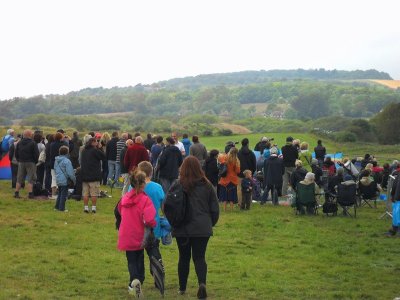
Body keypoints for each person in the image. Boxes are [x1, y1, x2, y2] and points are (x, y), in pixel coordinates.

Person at [172, 156, 219, 299]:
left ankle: (182, 288)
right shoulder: (207, 185)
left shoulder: (178, 184)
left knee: (183, 257)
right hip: (202, 226)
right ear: (199, 168)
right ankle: (202, 283)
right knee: (199, 257)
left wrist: (174, 222)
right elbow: (215, 209)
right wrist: (210, 223)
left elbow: (168, 205)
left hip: (182, 227)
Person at [117, 170, 157, 298]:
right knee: (139, 258)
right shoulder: (145, 200)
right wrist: (153, 225)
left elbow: (119, 211)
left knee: (131, 260)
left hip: (126, 233)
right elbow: (150, 219)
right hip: (139, 234)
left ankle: (134, 281)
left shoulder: (124, 199)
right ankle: (138, 279)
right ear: (143, 184)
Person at [137, 161, 166, 272]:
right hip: (154, 224)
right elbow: (163, 206)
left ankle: (138, 276)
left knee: (138, 253)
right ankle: (157, 272)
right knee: (153, 250)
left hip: (137, 223)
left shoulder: (133, 187)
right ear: (151, 173)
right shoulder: (157, 187)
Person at [80, 137, 106, 213]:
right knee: (94, 193)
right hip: (94, 175)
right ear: (92, 143)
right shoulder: (95, 150)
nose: (97, 143)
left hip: (85, 174)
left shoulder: (83, 150)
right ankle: (94, 208)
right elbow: (103, 157)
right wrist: (100, 148)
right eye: (96, 142)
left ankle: (86, 207)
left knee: (85, 193)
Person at [14, 129, 39, 199]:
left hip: (21, 162)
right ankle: (30, 194)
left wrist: (19, 160)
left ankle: (16, 193)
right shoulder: (33, 143)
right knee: (31, 178)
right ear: (30, 135)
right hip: (31, 162)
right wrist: (35, 161)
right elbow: (36, 154)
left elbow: (16, 153)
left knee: (19, 178)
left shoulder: (19, 143)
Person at [54, 146, 76, 212]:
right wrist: (74, 179)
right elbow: (70, 172)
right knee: (64, 194)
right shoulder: (67, 161)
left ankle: (57, 207)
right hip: (65, 179)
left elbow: (55, 169)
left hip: (58, 178)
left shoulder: (56, 160)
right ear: (67, 152)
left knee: (60, 193)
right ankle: (61, 208)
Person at [218, 147, 240, 212]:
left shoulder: (224, 158)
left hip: (224, 179)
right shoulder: (236, 161)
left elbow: (220, 162)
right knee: (232, 196)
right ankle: (231, 209)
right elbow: (238, 171)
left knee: (224, 195)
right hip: (233, 179)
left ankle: (225, 209)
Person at [237, 138, 256, 206]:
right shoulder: (251, 153)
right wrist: (251, 173)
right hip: (249, 174)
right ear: (248, 143)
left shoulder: (238, 153)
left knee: (239, 188)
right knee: (249, 188)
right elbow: (254, 164)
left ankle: (240, 202)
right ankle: (248, 202)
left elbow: (236, 164)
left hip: (240, 174)